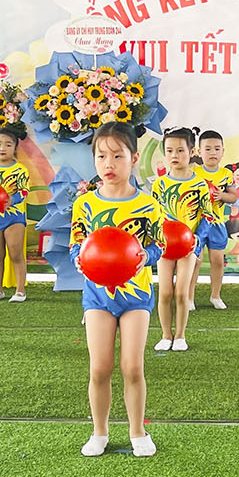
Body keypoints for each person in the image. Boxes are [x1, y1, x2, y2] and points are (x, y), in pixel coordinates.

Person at [68, 122, 164, 457]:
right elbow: (76, 244)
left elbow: (159, 245)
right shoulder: (85, 204)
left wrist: (144, 257)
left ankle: (138, 431)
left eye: (117, 156)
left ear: (134, 158)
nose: (108, 164)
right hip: (97, 296)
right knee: (100, 367)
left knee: (132, 367)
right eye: (101, 156)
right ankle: (100, 432)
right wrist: (79, 260)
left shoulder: (148, 204)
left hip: (136, 295)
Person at [152, 127, 214, 352]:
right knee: (165, 292)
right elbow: (153, 215)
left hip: (188, 247)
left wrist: (198, 238)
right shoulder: (159, 184)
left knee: (181, 292)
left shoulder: (200, 185)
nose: (174, 155)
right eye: (169, 151)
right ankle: (165, 335)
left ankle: (180, 335)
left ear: (192, 151)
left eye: (180, 150)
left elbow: (208, 216)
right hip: (164, 246)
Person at [0, 123, 31, 303]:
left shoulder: (20, 170)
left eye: (8, 145)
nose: (2, 148)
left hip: (14, 217)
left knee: (16, 254)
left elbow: (24, 191)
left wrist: (12, 200)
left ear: (15, 148)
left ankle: (20, 291)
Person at [195, 129, 237, 310]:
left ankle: (215, 295)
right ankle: (188, 298)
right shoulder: (194, 173)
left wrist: (222, 196)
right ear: (199, 152)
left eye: (217, 149)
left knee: (218, 260)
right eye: (208, 149)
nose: (212, 153)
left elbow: (233, 197)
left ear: (223, 151)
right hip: (197, 224)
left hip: (217, 224)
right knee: (195, 261)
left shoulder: (226, 174)